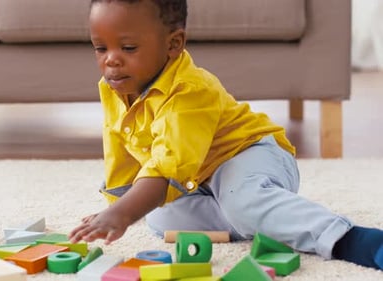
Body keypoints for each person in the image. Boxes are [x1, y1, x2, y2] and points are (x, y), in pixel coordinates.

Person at [69, 0, 383, 270]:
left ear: (173, 44)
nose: (111, 59)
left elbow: (168, 167)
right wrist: (115, 208)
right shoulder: (113, 87)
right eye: (100, 48)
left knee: (239, 200)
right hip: (200, 181)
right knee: (158, 219)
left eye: (128, 48)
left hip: (250, 154)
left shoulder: (189, 90)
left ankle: (349, 239)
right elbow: (121, 151)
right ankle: (265, 215)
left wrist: (121, 214)